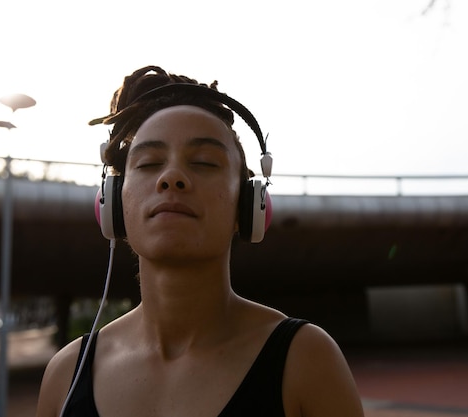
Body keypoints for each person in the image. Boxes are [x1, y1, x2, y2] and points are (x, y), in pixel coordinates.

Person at [35, 65, 364, 417]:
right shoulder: (65, 375)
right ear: (114, 200)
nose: (172, 177)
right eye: (148, 163)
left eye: (205, 163)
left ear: (249, 206)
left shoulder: (306, 361)